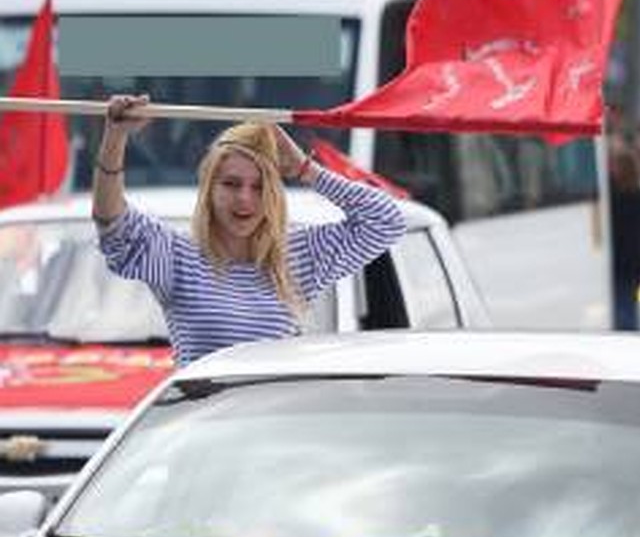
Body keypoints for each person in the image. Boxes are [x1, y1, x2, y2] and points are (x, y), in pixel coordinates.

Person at [92, 94, 407, 367]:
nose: (245, 198)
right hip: (201, 427)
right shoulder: (178, 255)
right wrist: (115, 137)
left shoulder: (297, 255)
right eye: (231, 184)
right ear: (208, 189)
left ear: (273, 193)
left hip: (273, 428)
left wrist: (305, 169)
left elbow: (387, 220)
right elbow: (112, 223)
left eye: (259, 186)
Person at [607, 139, 640, 331]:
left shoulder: (614, 199)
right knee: (630, 307)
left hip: (618, 261)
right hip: (637, 262)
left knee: (621, 308)